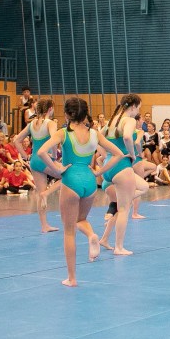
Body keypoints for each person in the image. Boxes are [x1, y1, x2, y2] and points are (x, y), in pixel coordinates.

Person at [38, 97, 124, 287]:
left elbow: (41, 152)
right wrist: (100, 172)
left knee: (69, 232)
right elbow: (118, 154)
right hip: (89, 181)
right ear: (85, 114)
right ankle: (92, 235)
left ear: (67, 114)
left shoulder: (63, 133)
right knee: (81, 219)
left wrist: (57, 168)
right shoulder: (94, 133)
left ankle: (72, 278)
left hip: (71, 180)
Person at [97, 94, 143, 256]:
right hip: (122, 166)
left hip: (109, 166)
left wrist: (105, 155)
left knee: (142, 188)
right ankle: (119, 247)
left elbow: (98, 138)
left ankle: (105, 239)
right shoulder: (129, 120)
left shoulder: (112, 121)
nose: (138, 111)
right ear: (133, 107)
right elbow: (127, 137)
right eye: (138, 108)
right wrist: (132, 154)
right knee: (124, 209)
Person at [11, 98, 63, 232]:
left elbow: (16, 140)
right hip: (45, 159)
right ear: (50, 109)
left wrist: (25, 156)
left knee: (40, 193)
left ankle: (44, 225)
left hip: (34, 160)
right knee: (67, 177)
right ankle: (47, 193)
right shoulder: (50, 123)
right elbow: (54, 139)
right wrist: (54, 156)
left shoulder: (32, 123)